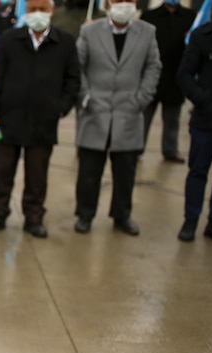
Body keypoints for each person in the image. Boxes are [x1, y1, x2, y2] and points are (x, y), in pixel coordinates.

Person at [0, 0, 80, 238]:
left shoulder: (65, 43)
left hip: (43, 122)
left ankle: (34, 218)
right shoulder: (10, 39)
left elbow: (73, 80)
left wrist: (60, 108)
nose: (37, 14)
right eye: (33, 9)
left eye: (42, 9)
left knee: (37, 176)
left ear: (52, 11)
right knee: (1, 172)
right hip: (7, 120)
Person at [73, 0, 161, 236]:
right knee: (89, 171)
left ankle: (122, 215)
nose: (124, 5)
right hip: (95, 111)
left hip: (129, 112)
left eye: (129, 0)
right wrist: (86, 97)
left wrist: (142, 99)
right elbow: (76, 66)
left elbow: (153, 66)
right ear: (109, 3)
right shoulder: (89, 31)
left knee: (125, 171)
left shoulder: (147, 32)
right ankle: (85, 214)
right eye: (119, 0)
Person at [175, 0, 212, 244]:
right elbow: (184, 74)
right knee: (198, 172)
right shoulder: (202, 35)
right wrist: (202, 99)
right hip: (206, 119)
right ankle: (191, 219)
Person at [140, 0, 195, 164]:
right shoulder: (149, 16)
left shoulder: (191, 17)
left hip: (176, 77)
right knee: (144, 117)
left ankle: (170, 150)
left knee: (173, 119)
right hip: (151, 76)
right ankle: (136, 148)